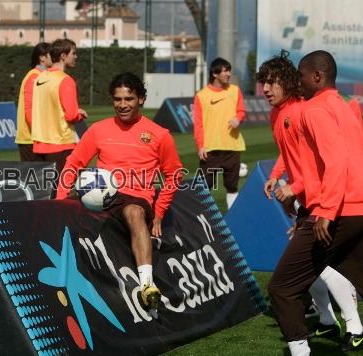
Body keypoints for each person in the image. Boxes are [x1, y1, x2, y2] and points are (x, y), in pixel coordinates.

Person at [257, 51, 362, 348]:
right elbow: (292, 156)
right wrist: (279, 177)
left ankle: (349, 326)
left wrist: (307, 197)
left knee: (286, 286)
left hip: (331, 205)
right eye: (262, 82)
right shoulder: (327, 106)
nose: (265, 88)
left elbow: (323, 162)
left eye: (272, 82)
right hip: (340, 203)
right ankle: (333, 323)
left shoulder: (307, 111)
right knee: (330, 268)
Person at [56, 72, 183, 311]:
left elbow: (174, 175)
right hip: (99, 195)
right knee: (66, 211)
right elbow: (74, 164)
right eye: (117, 99)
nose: (122, 105)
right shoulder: (98, 130)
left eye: (129, 99)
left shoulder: (159, 135)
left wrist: (159, 212)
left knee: (134, 213)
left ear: (141, 99)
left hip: (136, 197)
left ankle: (147, 286)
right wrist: (60, 201)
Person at [31, 38, 88, 195]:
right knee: (62, 192)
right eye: (73, 53)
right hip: (60, 143)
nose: (76, 57)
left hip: (39, 143)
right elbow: (70, 116)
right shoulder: (65, 80)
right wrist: (79, 114)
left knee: (45, 192)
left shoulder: (40, 78)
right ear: (63, 56)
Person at [193, 57, 246, 209]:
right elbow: (198, 124)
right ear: (215, 74)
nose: (228, 74)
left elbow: (241, 111)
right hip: (210, 149)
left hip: (232, 147)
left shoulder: (235, 91)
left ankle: (234, 218)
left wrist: (238, 118)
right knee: (205, 186)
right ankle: (200, 217)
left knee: (232, 186)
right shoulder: (201, 96)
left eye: (229, 70)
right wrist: (200, 146)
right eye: (225, 71)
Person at [15, 42, 52, 161]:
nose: (54, 57)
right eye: (51, 54)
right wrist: (41, 133)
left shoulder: (41, 75)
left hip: (35, 138)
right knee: (33, 179)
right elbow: (29, 109)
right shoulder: (35, 77)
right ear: (42, 57)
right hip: (30, 139)